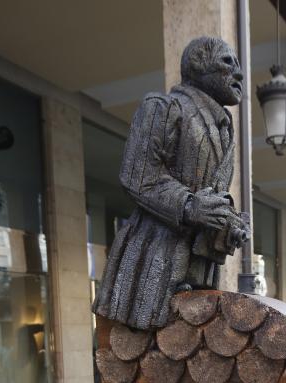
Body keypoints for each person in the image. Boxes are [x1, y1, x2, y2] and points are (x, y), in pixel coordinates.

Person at [93, 36, 250, 330]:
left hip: (199, 268)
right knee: (143, 356)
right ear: (197, 65)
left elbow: (210, 192)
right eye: (228, 63)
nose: (239, 74)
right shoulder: (165, 108)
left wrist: (230, 224)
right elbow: (138, 176)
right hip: (155, 262)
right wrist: (189, 206)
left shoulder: (224, 128)